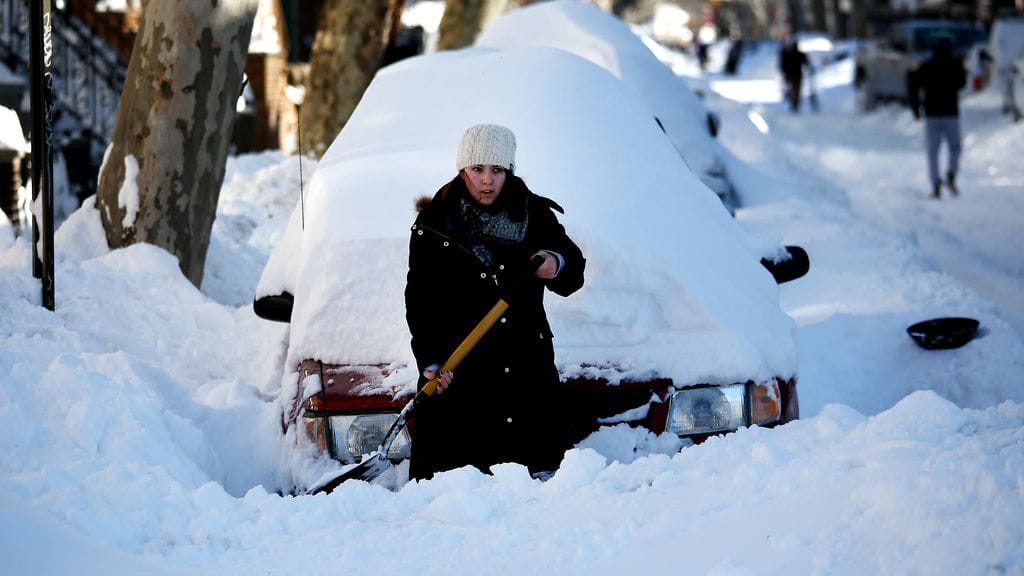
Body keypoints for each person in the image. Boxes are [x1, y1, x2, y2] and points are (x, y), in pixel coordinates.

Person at [404, 123, 586, 480]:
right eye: (477, 169)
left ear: (509, 170)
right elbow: (420, 301)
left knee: (542, 497)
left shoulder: (534, 214)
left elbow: (573, 267)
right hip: (463, 376)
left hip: (527, 373)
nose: (487, 180)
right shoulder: (435, 224)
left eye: (497, 170)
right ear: (462, 169)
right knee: (457, 498)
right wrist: (429, 360)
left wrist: (556, 263)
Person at [908, 37, 967, 199]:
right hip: (951, 113)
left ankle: (935, 185)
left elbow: (913, 84)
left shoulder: (926, 66)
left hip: (932, 114)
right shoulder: (955, 65)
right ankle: (951, 174)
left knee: (933, 151)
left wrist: (916, 108)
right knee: (955, 147)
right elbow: (962, 83)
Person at [779, 37, 810, 112]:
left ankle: (795, 102)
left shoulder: (790, 53)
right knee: (795, 89)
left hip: (793, 74)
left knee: (794, 89)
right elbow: (806, 62)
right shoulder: (790, 53)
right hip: (795, 74)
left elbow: (806, 62)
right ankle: (794, 102)